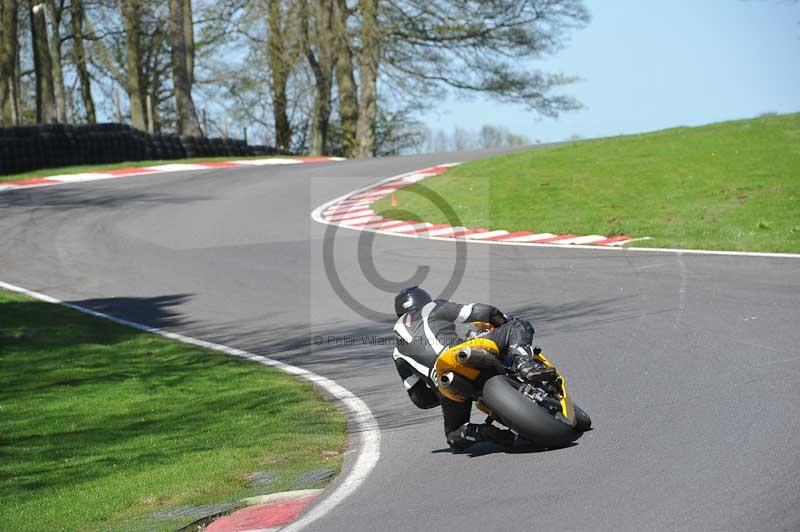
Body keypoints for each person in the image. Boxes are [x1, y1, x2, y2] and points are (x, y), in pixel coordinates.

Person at [391, 286, 551, 451]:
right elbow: (480, 311)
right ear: (423, 299)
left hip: (446, 383)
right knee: (518, 326)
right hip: (459, 353)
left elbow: (421, 400)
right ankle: (525, 363)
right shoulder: (432, 307)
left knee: (454, 435)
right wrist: (502, 320)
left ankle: (481, 432)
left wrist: (440, 391)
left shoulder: (397, 352)